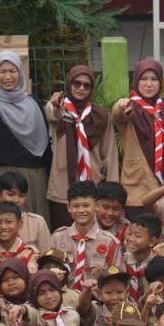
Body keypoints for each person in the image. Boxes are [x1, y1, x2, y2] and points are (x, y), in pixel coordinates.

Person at [0, 50, 49, 219]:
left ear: (20, 73)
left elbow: (44, 141)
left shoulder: (33, 102)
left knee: (29, 225)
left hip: (30, 173)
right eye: (2, 71)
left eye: (12, 71)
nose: (7, 76)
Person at [112, 58, 164, 207]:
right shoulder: (129, 106)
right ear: (136, 81)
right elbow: (117, 116)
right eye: (144, 79)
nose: (149, 84)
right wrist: (121, 105)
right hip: (138, 188)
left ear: (160, 82)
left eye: (154, 79)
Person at [45, 64, 113, 229]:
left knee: (93, 235)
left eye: (86, 85)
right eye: (77, 84)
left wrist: (111, 188)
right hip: (63, 185)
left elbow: (109, 152)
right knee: (63, 234)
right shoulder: (60, 109)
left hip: (94, 183)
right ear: (69, 84)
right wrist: (54, 104)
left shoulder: (100, 115)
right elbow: (51, 113)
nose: (81, 88)